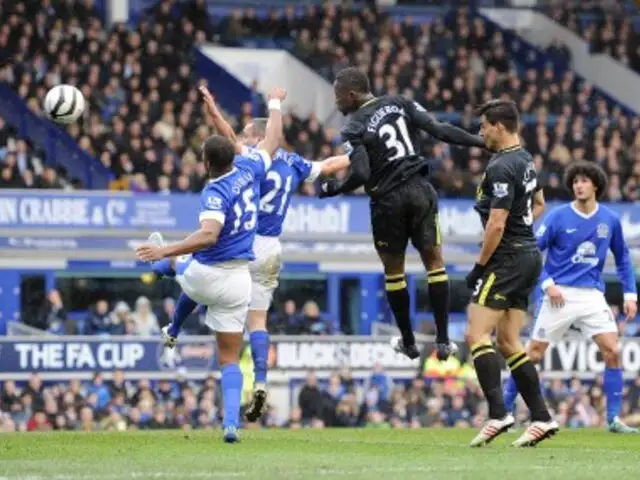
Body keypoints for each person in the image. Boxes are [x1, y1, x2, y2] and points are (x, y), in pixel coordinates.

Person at [135, 86, 287, 443]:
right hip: (239, 282)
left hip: (207, 274)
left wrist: (165, 252)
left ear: (206, 164)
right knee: (229, 359)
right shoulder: (249, 168)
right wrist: (275, 103)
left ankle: (165, 284)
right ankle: (231, 425)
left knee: (175, 260)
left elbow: (208, 236)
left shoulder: (213, 193)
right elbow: (272, 137)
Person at [192, 86, 350, 422]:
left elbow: (228, 138)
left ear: (263, 136)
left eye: (250, 135)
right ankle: (261, 381)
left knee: (203, 279)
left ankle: (182, 333)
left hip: (244, 243)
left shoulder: (253, 162)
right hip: (273, 247)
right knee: (259, 321)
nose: (245, 140)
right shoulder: (293, 163)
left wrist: (215, 113)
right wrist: (361, 155)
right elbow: (328, 166)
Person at [319, 66, 486, 361]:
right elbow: (439, 130)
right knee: (435, 264)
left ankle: (408, 342)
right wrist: (480, 142)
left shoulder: (353, 127)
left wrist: (336, 189)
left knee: (394, 272)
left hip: (387, 203)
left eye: (338, 98)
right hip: (420, 191)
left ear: (352, 94)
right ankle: (444, 340)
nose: (337, 104)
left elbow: (360, 172)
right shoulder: (401, 102)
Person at [503, 161, 638, 433]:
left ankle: (612, 419)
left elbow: (622, 258)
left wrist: (630, 294)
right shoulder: (557, 216)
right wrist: (547, 283)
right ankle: (502, 412)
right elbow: (530, 253)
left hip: (591, 295)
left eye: (584, 181)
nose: (579, 185)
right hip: (558, 294)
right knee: (533, 355)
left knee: (613, 351)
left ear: (596, 185)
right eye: (575, 181)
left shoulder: (609, 219)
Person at [464, 99, 556, 448]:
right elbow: (540, 204)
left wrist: (479, 266)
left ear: (499, 126)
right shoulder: (526, 159)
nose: (481, 132)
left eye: (484, 125)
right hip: (527, 255)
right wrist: (523, 229)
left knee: (475, 334)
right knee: (508, 342)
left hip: (507, 259)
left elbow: (497, 222)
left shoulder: (502, 166)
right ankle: (543, 418)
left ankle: (498, 413)